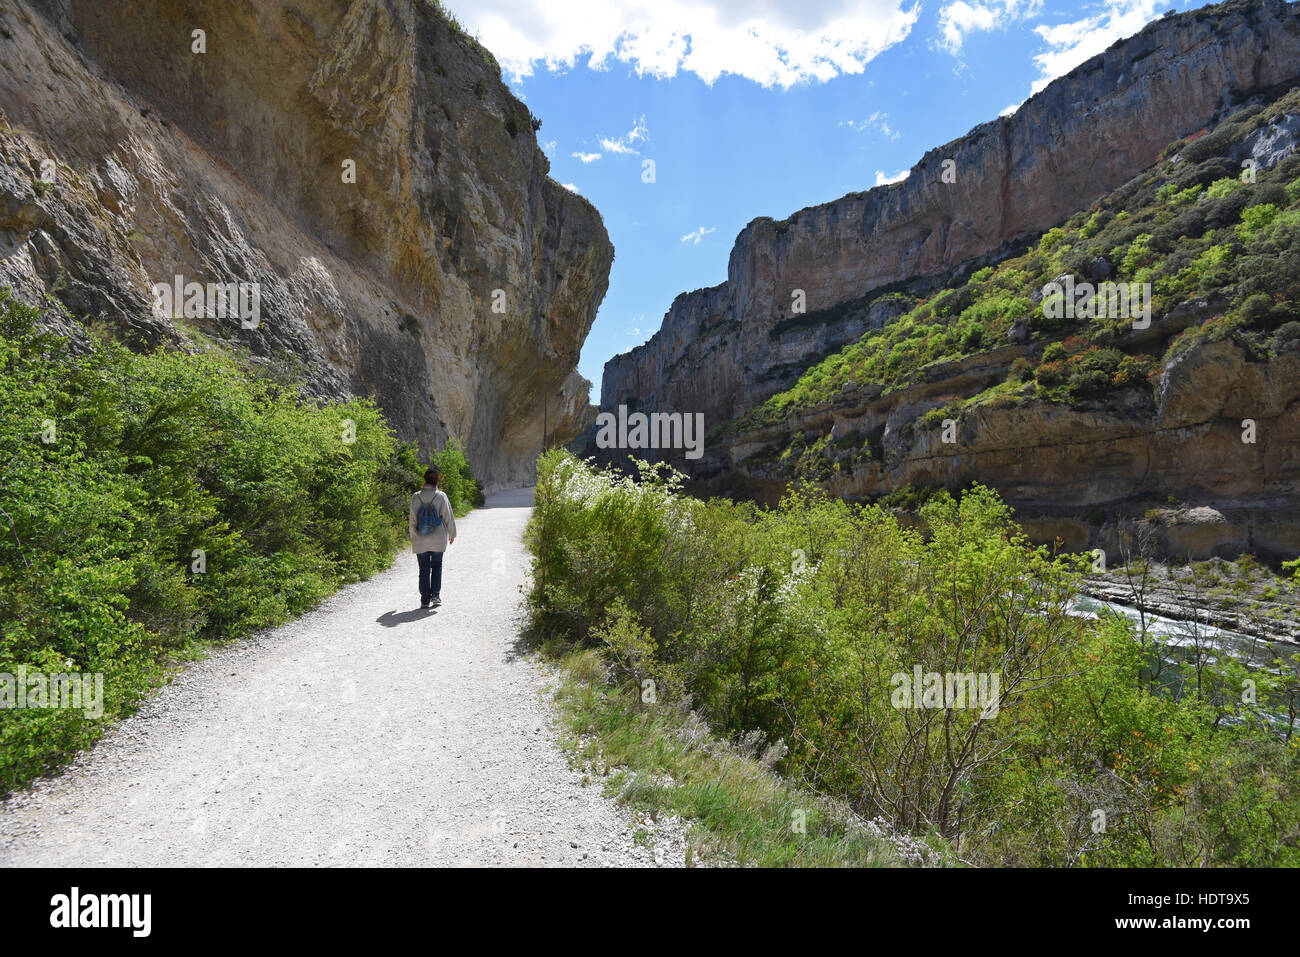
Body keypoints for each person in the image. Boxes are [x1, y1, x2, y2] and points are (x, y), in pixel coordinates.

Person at [409, 467, 456, 609]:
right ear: (437, 480)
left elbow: (412, 519)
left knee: (423, 569)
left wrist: (413, 536)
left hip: (420, 538)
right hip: (438, 537)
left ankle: (424, 600)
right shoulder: (441, 496)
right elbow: (448, 516)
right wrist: (452, 533)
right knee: (437, 565)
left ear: (424, 479)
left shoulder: (416, 496)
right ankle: (435, 595)